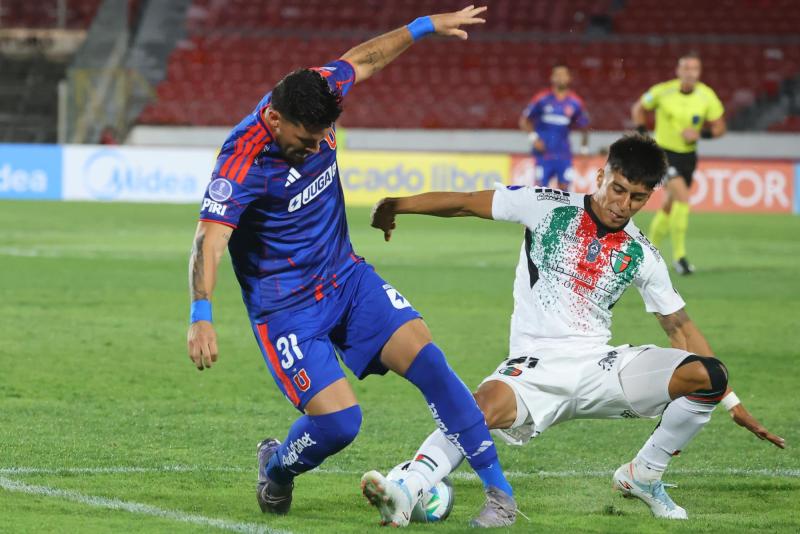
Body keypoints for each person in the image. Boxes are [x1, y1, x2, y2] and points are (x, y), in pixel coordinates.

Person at [184, 5, 516, 529]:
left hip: (346, 278)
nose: (317, 147)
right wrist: (201, 312)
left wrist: (426, 25)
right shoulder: (241, 161)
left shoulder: (317, 91)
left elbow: (363, 59)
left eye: (324, 137)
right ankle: (276, 467)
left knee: (432, 364)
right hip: (286, 308)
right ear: (273, 118)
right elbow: (210, 238)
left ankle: (500, 494)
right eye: (306, 139)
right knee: (340, 424)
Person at [368, 135, 784, 522]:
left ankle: (643, 473)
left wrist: (729, 400)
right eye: (618, 189)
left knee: (707, 374)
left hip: (600, 367)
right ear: (601, 176)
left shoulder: (642, 253)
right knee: (476, 411)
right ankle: (406, 489)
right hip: (535, 365)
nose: (623, 204)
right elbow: (465, 203)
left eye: (637, 197)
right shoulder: (546, 205)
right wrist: (398, 204)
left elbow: (679, 327)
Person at [632, 52, 726, 275]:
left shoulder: (706, 96)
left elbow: (720, 127)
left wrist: (701, 134)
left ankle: (648, 250)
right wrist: (643, 135)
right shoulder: (663, 91)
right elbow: (638, 108)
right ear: (678, 71)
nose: (689, 73)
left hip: (688, 156)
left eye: (694, 69)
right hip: (663, 154)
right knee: (683, 197)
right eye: (686, 68)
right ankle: (680, 257)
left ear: (699, 72)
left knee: (671, 204)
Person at [518, 63, 589, 190]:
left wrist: (584, 149)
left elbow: (584, 126)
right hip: (543, 154)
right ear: (552, 78)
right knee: (540, 191)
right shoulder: (542, 99)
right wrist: (534, 139)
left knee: (565, 191)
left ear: (569, 78)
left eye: (564, 74)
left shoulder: (575, 102)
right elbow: (524, 120)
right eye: (557, 75)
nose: (561, 77)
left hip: (564, 154)